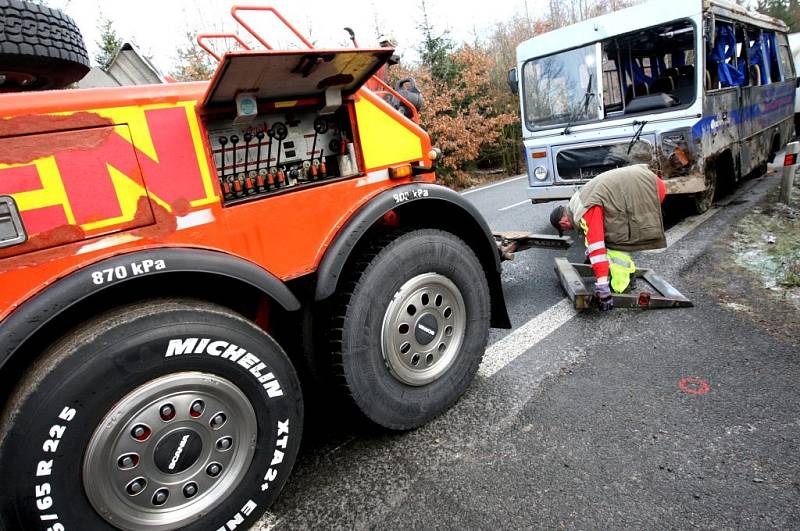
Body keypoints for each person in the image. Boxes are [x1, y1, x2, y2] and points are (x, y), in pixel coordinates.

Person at [549, 142, 667, 311]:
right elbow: (592, 234)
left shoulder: (584, 210)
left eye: (564, 229)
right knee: (613, 233)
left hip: (648, 188)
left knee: (616, 244)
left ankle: (620, 288)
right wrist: (589, 255)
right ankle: (630, 274)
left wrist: (602, 283)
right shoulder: (577, 201)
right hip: (646, 181)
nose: (568, 230)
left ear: (563, 223)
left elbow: (597, 243)